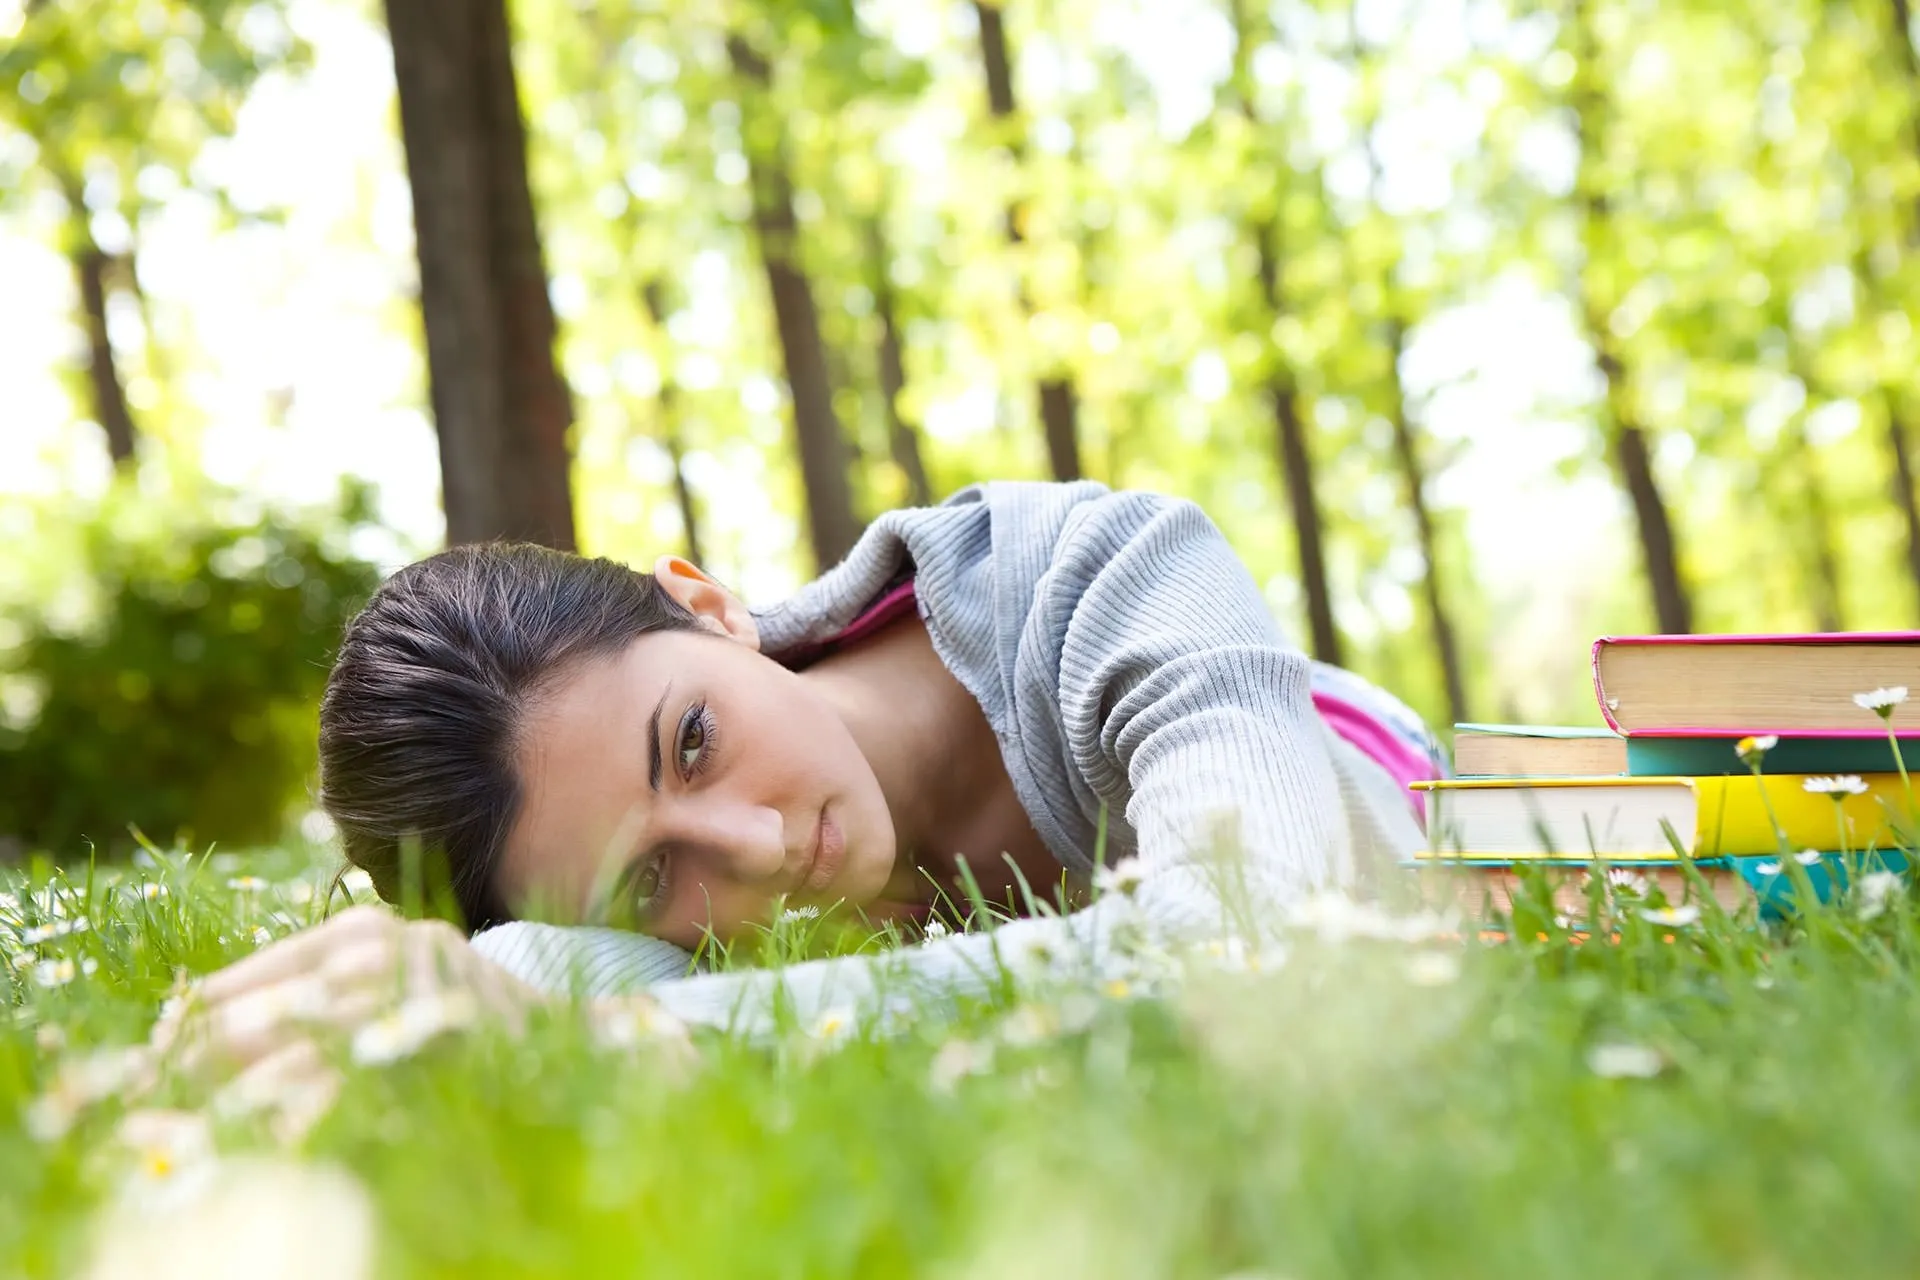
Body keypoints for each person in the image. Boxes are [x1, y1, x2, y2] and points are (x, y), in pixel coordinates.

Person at [170, 481, 1442, 1063]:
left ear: (709, 605)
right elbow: (544, 977)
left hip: (1387, 793)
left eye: (693, 742)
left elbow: (1247, 936)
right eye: (649, 878)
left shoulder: (1111, 572)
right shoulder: (708, 910)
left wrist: (634, 1025)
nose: (755, 848)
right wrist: (484, 983)